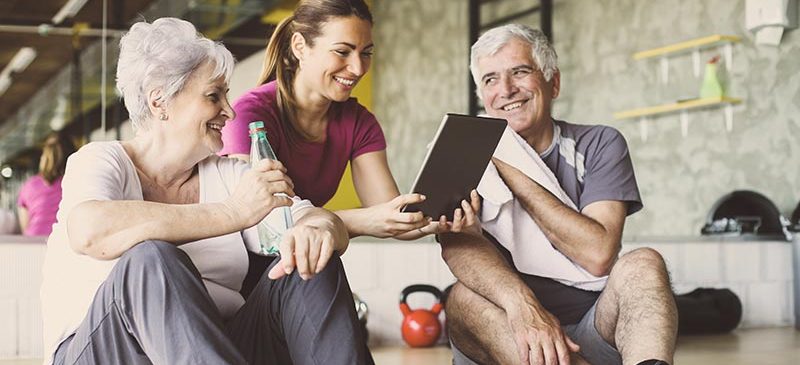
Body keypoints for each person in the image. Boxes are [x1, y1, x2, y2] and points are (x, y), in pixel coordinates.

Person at [40, 18, 369, 365]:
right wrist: (231, 214)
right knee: (150, 258)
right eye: (214, 96)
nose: (229, 110)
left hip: (217, 347)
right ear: (160, 102)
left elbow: (312, 217)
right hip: (106, 349)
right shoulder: (100, 160)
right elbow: (90, 231)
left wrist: (316, 231)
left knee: (309, 256)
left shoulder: (230, 175)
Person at [440, 25, 678, 365]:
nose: (505, 90)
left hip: (592, 325)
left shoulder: (600, 144)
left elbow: (598, 253)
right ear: (482, 95)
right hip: (509, 333)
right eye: (490, 80)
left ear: (553, 83)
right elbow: (458, 249)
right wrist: (524, 308)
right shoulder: (462, 151)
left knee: (645, 263)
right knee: (461, 299)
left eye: (520, 72)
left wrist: (508, 166)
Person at [220, 0, 458, 240]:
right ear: (300, 46)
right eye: (342, 51)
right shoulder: (251, 116)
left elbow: (390, 216)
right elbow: (259, 220)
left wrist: (435, 219)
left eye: (366, 53)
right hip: (242, 261)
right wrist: (360, 220)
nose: (357, 68)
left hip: (305, 254)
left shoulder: (359, 122)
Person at [17, 132, 75, 236]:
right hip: (63, 241)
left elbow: (24, 226)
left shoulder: (29, 185)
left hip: (32, 241)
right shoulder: (75, 182)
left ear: (44, 156)